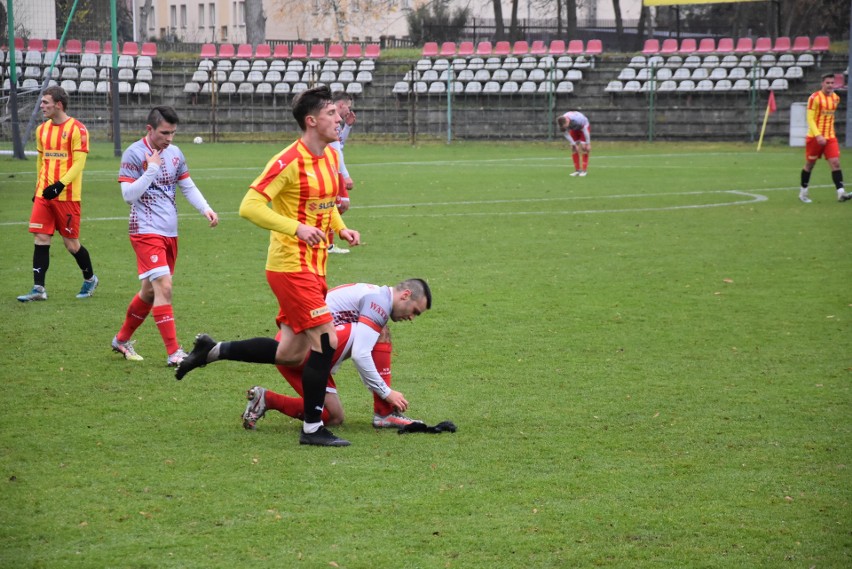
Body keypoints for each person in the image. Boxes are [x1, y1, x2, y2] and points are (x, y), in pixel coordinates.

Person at [178, 86, 360, 447]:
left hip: (315, 266)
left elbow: (325, 204)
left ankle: (213, 350)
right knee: (326, 340)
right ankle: (312, 429)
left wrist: (340, 228)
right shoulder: (288, 160)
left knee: (290, 353)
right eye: (331, 114)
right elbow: (249, 206)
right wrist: (296, 227)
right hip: (290, 266)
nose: (339, 118)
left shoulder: (327, 156)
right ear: (311, 121)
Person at [177, 279, 432, 431]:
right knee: (377, 332)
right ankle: (385, 413)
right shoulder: (377, 303)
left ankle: (266, 399)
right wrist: (387, 393)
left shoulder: (374, 296)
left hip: (302, 351)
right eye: (415, 311)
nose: (411, 317)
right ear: (405, 294)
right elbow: (361, 354)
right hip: (306, 349)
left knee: (333, 417)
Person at [111, 106, 219, 365]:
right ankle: (174, 353)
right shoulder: (135, 153)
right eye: (164, 133)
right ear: (150, 129)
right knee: (165, 287)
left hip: (169, 232)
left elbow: (186, 185)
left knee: (150, 292)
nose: (169, 138)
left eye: (173, 133)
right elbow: (128, 195)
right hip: (145, 231)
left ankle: (121, 339)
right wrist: (150, 170)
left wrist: (205, 208)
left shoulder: (175, 153)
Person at [17, 86, 99, 302]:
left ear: (58, 105)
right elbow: (40, 160)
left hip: (67, 195)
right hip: (44, 193)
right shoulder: (41, 130)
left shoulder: (77, 129)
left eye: (45, 102)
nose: (42, 106)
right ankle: (38, 289)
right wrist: (39, 186)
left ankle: (90, 279)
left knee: (71, 244)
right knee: (41, 237)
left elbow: (79, 162)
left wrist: (60, 184)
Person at [799, 73, 851, 203]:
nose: (830, 85)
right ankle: (803, 192)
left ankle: (841, 193)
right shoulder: (814, 98)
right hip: (814, 137)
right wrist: (818, 135)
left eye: (832, 83)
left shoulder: (836, 98)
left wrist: (826, 135)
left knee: (835, 163)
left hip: (830, 137)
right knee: (810, 164)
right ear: (822, 83)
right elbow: (810, 118)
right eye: (827, 83)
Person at [327, 91, 356, 254]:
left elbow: (340, 143)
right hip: (333, 169)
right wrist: (345, 175)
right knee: (338, 205)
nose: (348, 111)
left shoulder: (336, 124)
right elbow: (336, 149)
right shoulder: (329, 122)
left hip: (335, 167)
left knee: (340, 205)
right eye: (348, 107)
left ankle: (327, 243)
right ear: (341, 105)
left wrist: (348, 126)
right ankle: (326, 243)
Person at [556, 110, 591, 177]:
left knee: (584, 147)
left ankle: (584, 171)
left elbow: (585, 131)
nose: (565, 128)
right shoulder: (562, 123)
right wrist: (574, 144)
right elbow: (566, 134)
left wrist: (588, 144)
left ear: (567, 121)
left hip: (584, 128)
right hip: (574, 129)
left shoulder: (578, 120)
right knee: (573, 148)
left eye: (565, 126)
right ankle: (577, 170)